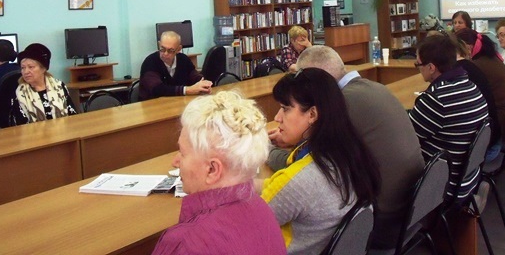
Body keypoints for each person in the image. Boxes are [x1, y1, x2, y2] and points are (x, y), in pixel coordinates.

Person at [269, 45, 423, 250]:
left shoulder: (341, 107)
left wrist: (270, 150)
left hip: (383, 222)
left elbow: (304, 168)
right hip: (415, 206)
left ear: (319, 80)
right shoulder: (374, 86)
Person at [260, 68, 381, 254]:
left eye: (285, 108)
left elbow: (247, 225)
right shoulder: (347, 151)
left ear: (312, 114)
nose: (277, 118)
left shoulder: (299, 181)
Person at [152, 91, 286, 255]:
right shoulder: (262, 210)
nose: (175, 161)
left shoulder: (185, 244)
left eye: (183, 153)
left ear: (212, 170)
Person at [409, 35, 488, 201]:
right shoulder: (471, 87)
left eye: (418, 64)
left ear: (431, 67)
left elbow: (406, 139)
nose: (418, 68)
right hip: (468, 178)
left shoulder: (437, 99)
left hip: (444, 186)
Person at [456, 28, 505, 142]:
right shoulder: (492, 59)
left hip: (496, 125)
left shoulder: (475, 66)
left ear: (468, 48)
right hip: (504, 117)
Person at [13, 43, 77, 124]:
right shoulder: (20, 93)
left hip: (63, 130)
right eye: (23, 68)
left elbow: (72, 114)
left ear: (43, 69)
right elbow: (20, 125)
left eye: (31, 67)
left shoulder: (59, 86)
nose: (26, 71)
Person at [139, 31, 212, 101]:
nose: (165, 53)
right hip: (152, 105)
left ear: (178, 49)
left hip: (178, 102)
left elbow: (194, 76)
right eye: (162, 49)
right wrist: (187, 90)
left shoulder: (183, 59)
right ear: (159, 44)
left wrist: (203, 83)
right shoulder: (150, 62)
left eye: (170, 50)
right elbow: (157, 89)